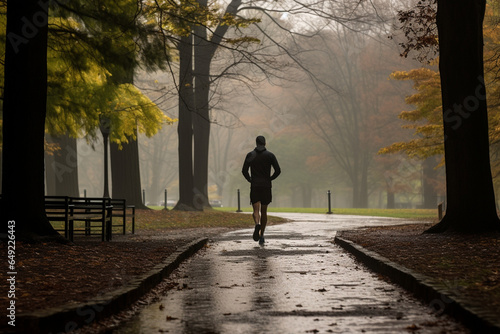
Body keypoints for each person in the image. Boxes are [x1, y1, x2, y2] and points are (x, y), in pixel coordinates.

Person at [242, 135, 281, 245]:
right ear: (265, 143)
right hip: (266, 186)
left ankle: (256, 224)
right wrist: (270, 179)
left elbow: (244, 170)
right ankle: (262, 235)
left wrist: (250, 179)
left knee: (255, 210)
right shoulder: (270, 155)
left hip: (255, 185)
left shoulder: (250, 155)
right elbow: (278, 170)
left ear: (256, 143)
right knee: (264, 211)